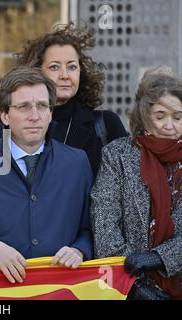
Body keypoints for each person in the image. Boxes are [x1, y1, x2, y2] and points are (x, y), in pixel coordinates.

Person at [0, 66, 93, 283]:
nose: (34, 116)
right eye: (24, 107)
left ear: (51, 113)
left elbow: (91, 229)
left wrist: (80, 250)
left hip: (60, 289)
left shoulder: (78, 163)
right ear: (5, 115)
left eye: (42, 106)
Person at [91, 68, 182, 300]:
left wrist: (162, 257)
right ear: (144, 118)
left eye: (177, 117)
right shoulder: (118, 155)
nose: (169, 125)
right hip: (129, 288)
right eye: (160, 116)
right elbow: (105, 225)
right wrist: (135, 286)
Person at [17, 23, 127, 176]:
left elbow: (130, 187)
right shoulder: (18, 124)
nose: (65, 75)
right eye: (54, 67)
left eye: (72, 67)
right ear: (36, 72)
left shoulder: (107, 125)